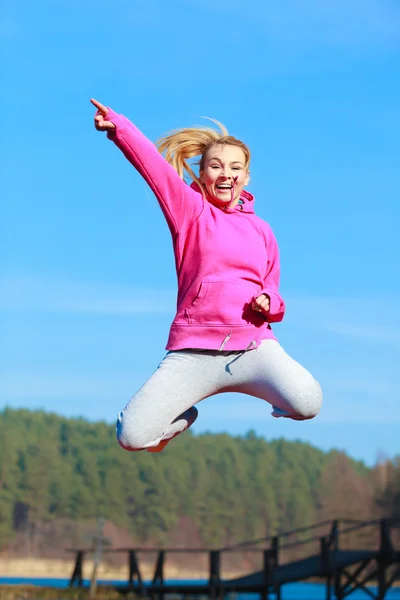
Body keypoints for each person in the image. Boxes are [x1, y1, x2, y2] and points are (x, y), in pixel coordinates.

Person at [91, 98, 323, 453]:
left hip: (252, 347)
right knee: (132, 437)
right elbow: (154, 168)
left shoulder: (263, 231)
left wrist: (268, 302)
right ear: (202, 174)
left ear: (245, 177)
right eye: (215, 166)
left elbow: (274, 292)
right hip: (193, 350)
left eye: (235, 167)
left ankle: (268, 392)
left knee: (308, 402)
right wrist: (119, 127)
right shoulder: (191, 212)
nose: (225, 173)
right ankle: (181, 419)